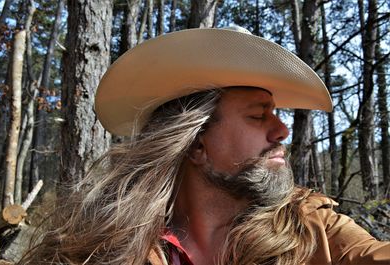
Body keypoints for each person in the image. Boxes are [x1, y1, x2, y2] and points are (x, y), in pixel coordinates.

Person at [22, 27, 390, 265]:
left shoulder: (314, 229)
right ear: (196, 145)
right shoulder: (109, 243)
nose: (282, 131)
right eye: (259, 115)